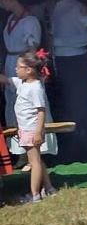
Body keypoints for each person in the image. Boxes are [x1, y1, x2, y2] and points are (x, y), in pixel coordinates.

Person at [45, 0, 87, 162]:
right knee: (63, 105)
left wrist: (57, 42)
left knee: (77, 107)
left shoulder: (76, 7)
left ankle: (85, 152)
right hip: (58, 62)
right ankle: (69, 150)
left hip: (74, 62)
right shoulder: (51, 6)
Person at [0, 48, 58, 202]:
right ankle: (49, 188)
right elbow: (6, 79)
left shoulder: (36, 88)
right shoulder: (23, 83)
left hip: (32, 131)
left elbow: (41, 111)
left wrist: (38, 132)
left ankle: (34, 195)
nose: (15, 69)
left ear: (29, 70)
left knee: (34, 162)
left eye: (18, 67)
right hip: (25, 130)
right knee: (37, 160)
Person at [1, 0, 44, 159]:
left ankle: (31, 151)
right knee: (13, 105)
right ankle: (19, 150)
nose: (1, 2)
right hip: (11, 61)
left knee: (27, 105)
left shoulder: (30, 21)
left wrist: (29, 71)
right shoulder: (11, 19)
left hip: (23, 63)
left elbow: (32, 48)